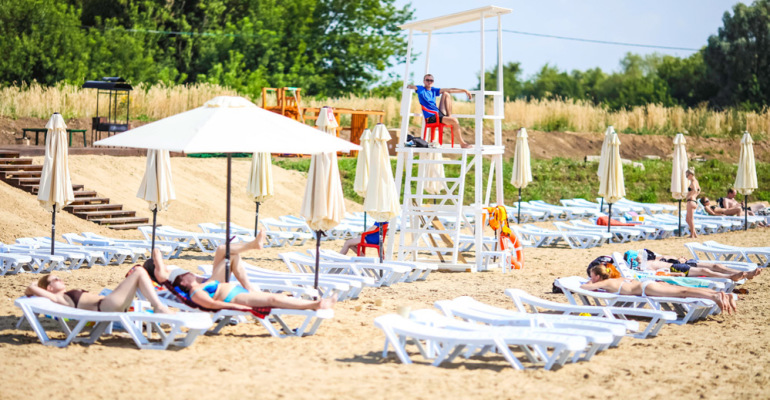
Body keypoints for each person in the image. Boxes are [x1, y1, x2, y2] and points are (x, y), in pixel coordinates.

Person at [144, 232, 336, 313]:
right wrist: (155, 258)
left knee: (226, 252)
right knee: (272, 299)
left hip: (215, 284)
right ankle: (315, 304)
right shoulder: (165, 277)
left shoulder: (176, 277)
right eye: (161, 265)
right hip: (216, 289)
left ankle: (252, 258)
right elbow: (158, 259)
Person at [581, 264, 736, 314]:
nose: (590, 278)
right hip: (649, 283)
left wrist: (590, 282)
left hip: (647, 288)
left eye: (592, 276)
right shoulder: (616, 278)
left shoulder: (605, 283)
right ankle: (718, 293)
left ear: (598, 277)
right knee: (682, 289)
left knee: (683, 292)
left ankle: (715, 297)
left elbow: (585, 286)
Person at [25, 268, 172, 314]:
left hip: (109, 303)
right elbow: (31, 289)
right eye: (56, 279)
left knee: (139, 273)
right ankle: (158, 306)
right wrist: (35, 285)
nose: (60, 279)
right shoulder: (59, 298)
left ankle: (158, 305)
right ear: (49, 288)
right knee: (138, 271)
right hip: (107, 306)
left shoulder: (64, 296)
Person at [407, 74, 473, 148]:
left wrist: (464, 90)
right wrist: (409, 86)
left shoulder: (433, 90)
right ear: (424, 81)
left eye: (431, 80)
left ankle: (449, 117)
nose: (429, 82)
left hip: (438, 113)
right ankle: (462, 144)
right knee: (455, 121)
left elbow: (450, 89)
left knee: (446, 93)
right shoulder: (421, 88)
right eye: (427, 80)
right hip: (431, 116)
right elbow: (411, 86)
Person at [623, 249, 760, 281]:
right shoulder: (644, 266)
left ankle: (746, 274)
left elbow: (665, 257)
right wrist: (675, 272)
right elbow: (658, 273)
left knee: (716, 266)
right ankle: (731, 277)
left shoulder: (651, 258)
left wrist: (679, 258)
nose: (640, 256)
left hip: (682, 262)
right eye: (637, 256)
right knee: (706, 272)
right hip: (676, 268)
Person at [685, 168, 700, 238]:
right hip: (694, 201)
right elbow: (699, 190)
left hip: (690, 201)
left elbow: (695, 190)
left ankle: (693, 235)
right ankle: (694, 233)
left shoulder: (693, 182)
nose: (686, 177)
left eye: (687, 175)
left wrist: (690, 196)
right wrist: (695, 196)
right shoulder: (696, 181)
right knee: (687, 219)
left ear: (691, 174)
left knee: (690, 219)